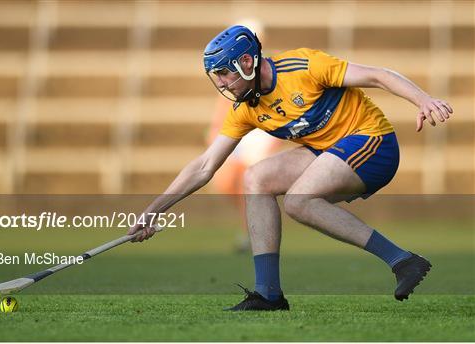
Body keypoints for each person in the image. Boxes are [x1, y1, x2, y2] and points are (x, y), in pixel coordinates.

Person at [128, 25, 453, 311]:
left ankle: (402, 260)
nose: (222, 83)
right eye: (217, 76)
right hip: (327, 149)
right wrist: (155, 209)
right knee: (256, 178)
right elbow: (204, 166)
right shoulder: (245, 109)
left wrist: (423, 100)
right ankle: (268, 294)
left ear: (245, 62)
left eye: (225, 73)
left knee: (299, 201)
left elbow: (377, 75)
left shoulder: (303, 66)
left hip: (373, 142)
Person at [207, 19, 281, 253]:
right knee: (228, 183)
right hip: (242, 126)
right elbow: (224, 101)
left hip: (260, 130)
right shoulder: (231, 63)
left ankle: (255, 235)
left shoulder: (262, 63)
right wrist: (215, 129)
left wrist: (274, 139)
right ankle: (251, 229)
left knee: (250, 184)